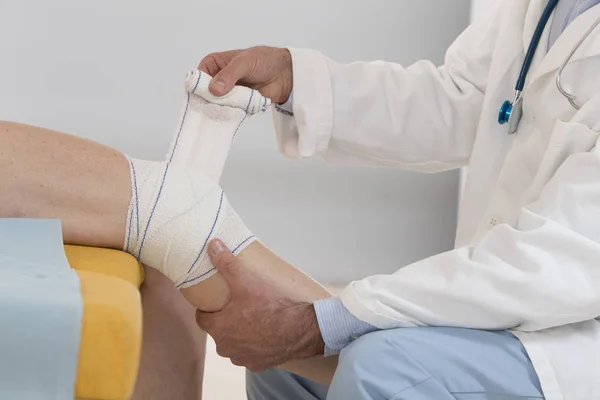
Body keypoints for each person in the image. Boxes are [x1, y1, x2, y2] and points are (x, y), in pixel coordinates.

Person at [192, 1, 600, 400]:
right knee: (286, 368)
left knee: (379, 369)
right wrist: (295, 80)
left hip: (572, 342)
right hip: (508, 296)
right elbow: (461, 98)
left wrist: (322, 324)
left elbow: (557, 261)